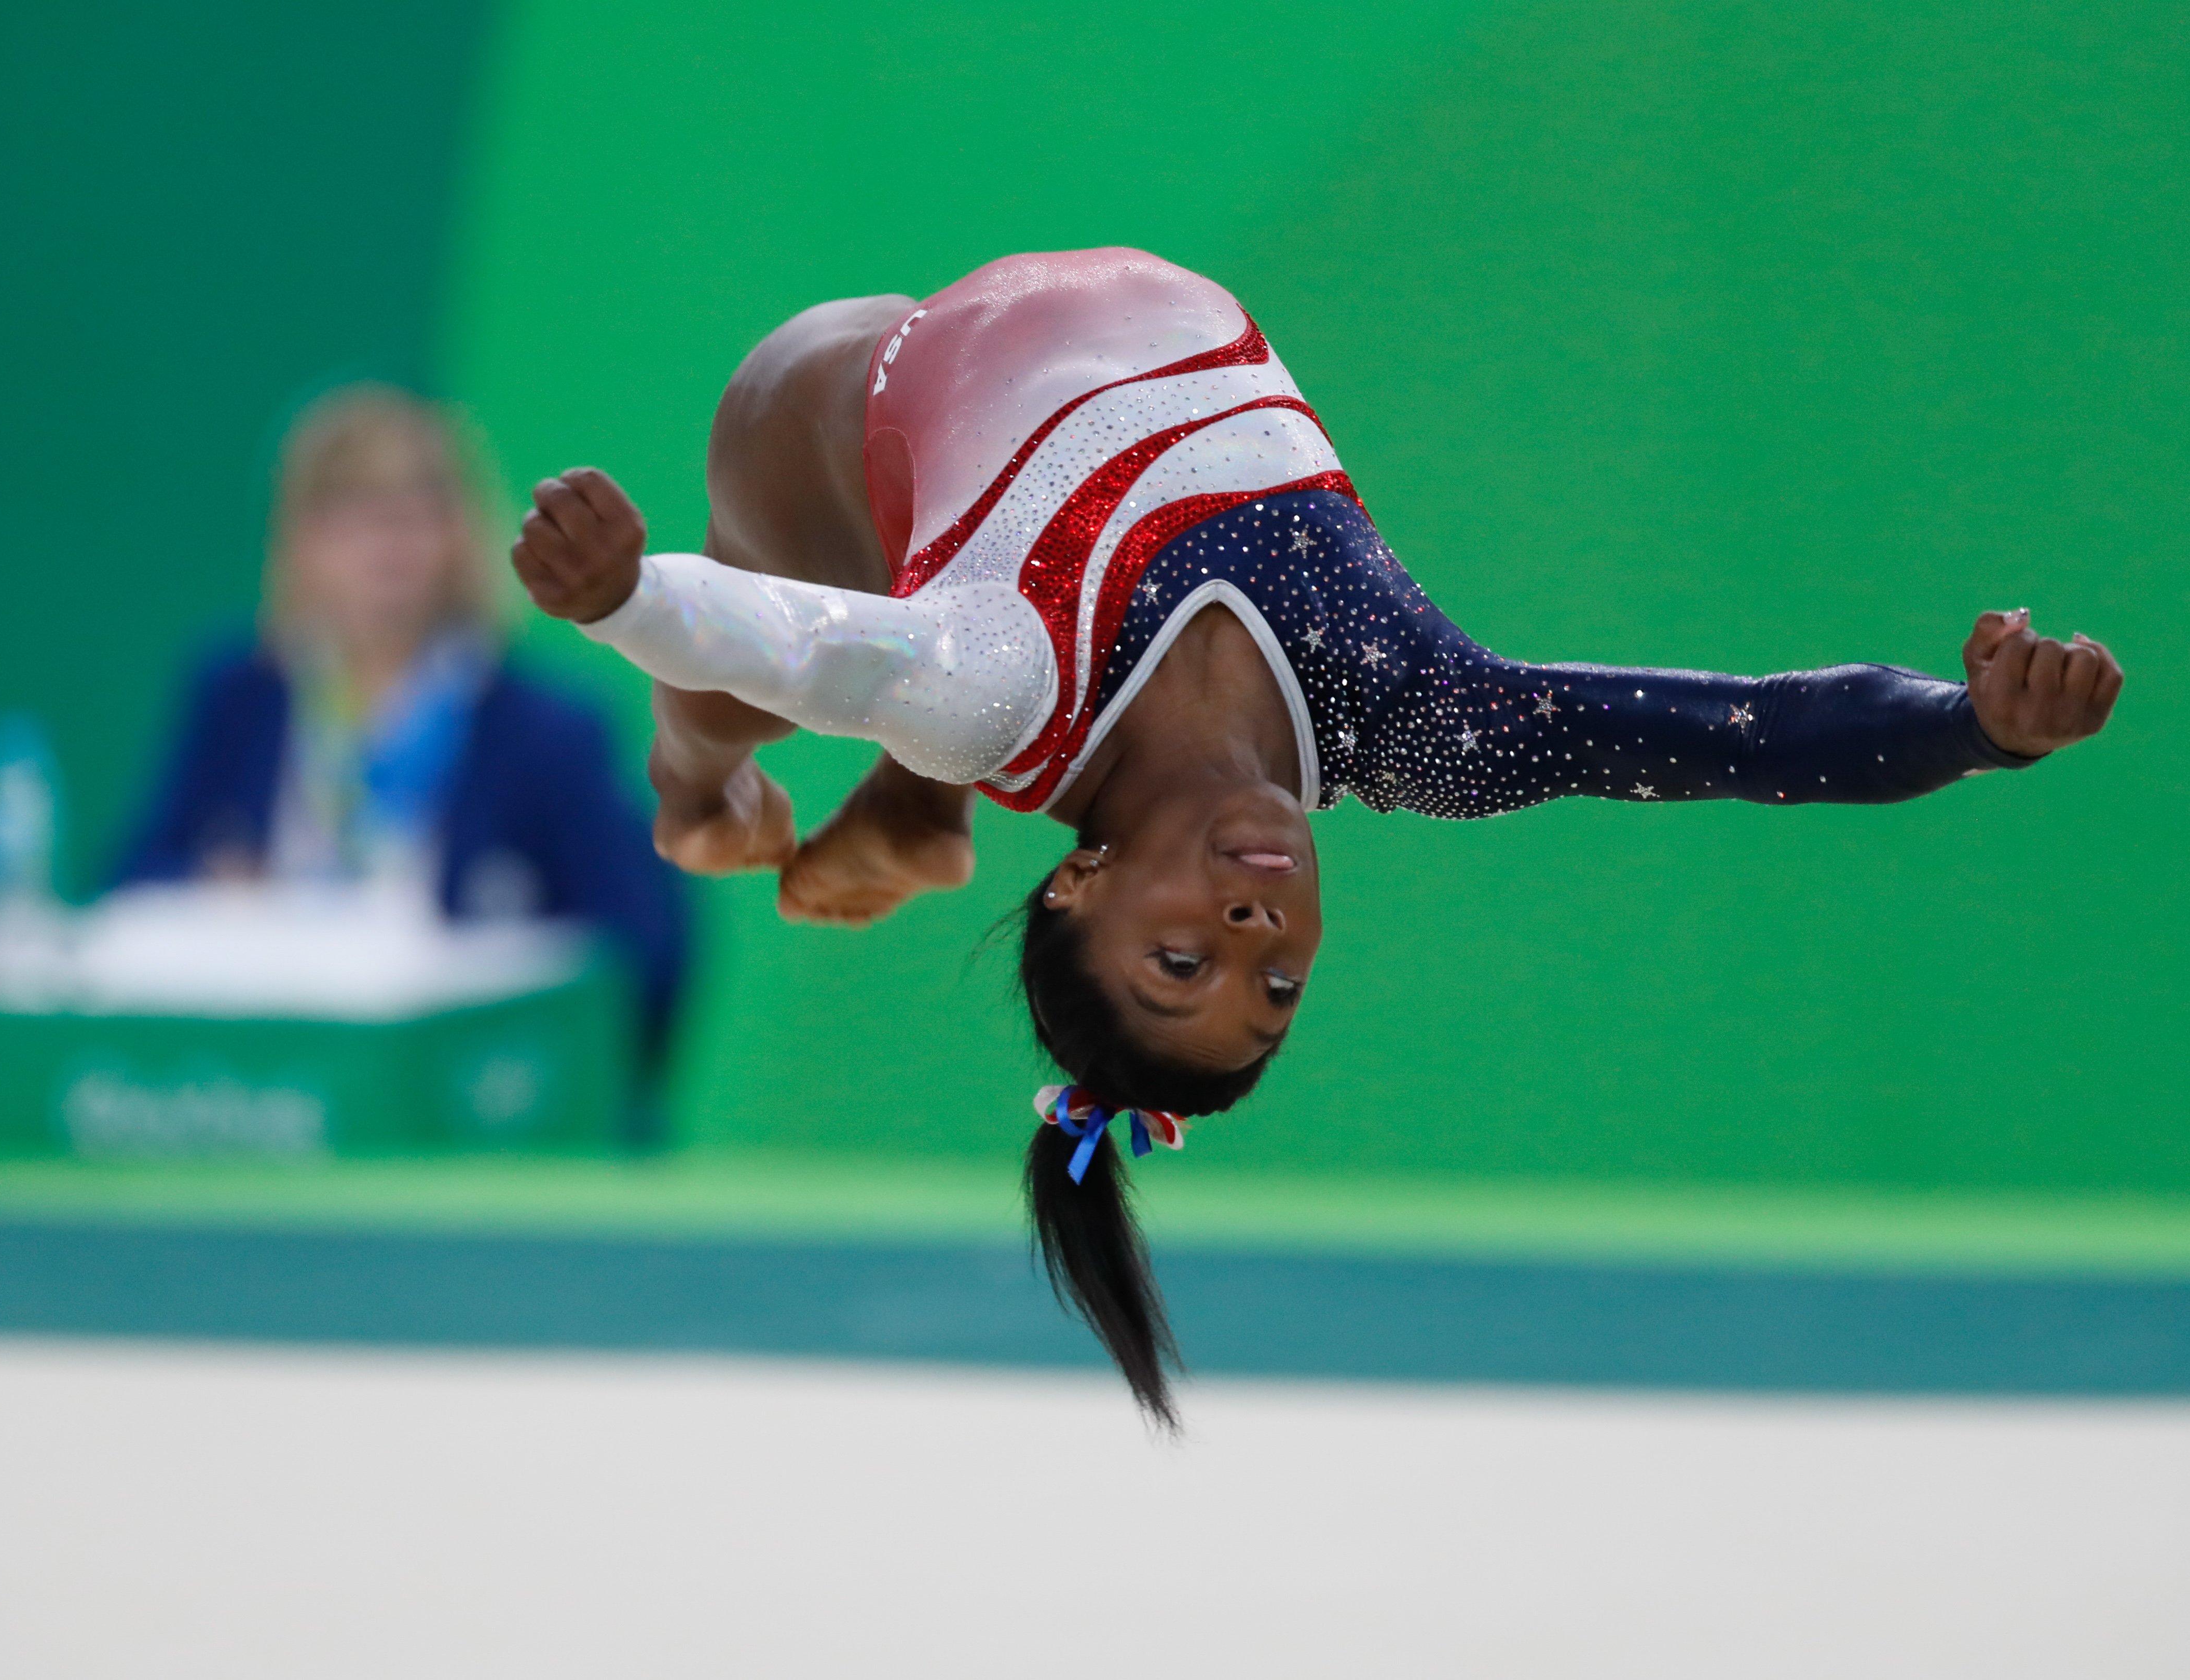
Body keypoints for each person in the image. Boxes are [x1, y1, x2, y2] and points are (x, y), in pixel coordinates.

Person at [508, 250, 2123, 1421]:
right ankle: (914, 824)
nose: (1258, 924)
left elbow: (789, 643)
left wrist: (625, 595)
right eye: (1271, 984)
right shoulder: (1420, 722)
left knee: (753, 664)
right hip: (985, 443)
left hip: (884, 409)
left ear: (1078, 882)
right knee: (894, 631)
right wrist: (1972, 727)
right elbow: (1731, 741)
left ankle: (716, 808)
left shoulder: (1000, 679)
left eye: (1183, 955)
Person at [117, 383, 690, 1100]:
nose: (387, 545)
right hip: (268, 1082)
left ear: (460, 536)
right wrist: (210, 892)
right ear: (298, 540)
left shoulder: (544, 731)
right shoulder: (239, 701)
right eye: (354, 517)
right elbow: (131, 885)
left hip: (454, 1099)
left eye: (415, 515)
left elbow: (643, 954)